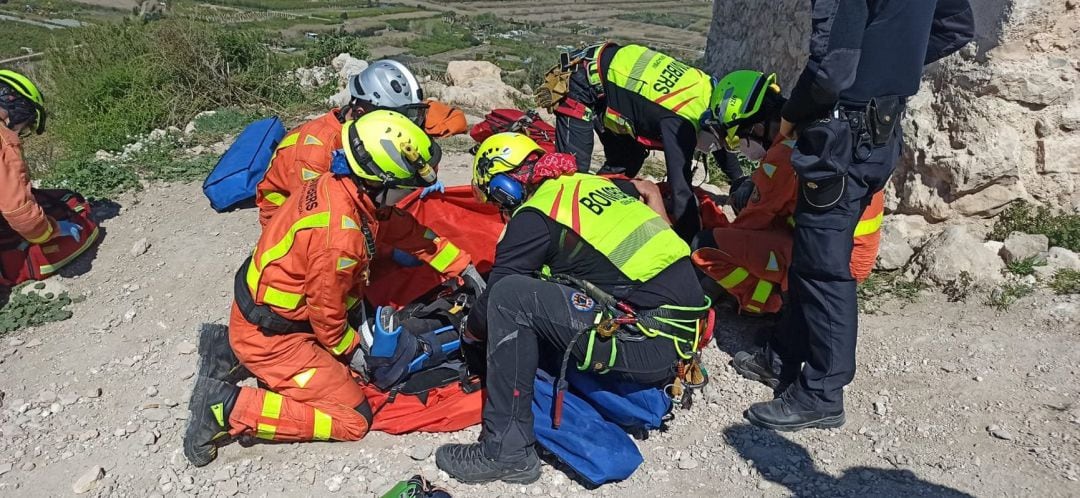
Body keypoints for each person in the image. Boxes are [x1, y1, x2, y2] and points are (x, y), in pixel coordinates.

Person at [730, 0, 975, 432]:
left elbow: (832, 71)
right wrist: (887, 72)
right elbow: (956, 28)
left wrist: (791, 115)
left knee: (823, 268)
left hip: (842, 138)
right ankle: (783, 356)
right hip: (879, 131)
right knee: (813, 256)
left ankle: (821, 393)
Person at [183, 110, 473, 467]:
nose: (407, 195)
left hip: (264, 315)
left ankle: (225, 349)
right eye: (405, 188)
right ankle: (227, 408)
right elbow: (326, 314)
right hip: (278, 338)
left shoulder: (339, 185)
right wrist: (355, 353)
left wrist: (461, 265)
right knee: (353, 420)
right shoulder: (341, 237)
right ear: (380, 182)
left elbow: (401, 228)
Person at [435, 133, 708, 484]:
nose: (502, 212)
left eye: (498, 202)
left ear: (505, 187)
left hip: (647, 341)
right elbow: (646, 189)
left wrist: (470, 334)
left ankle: (506, 452)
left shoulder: (534, 217)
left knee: (509, 296)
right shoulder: (586, 184)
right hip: (683, 336)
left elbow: (496, 297)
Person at [692, 70, 884, 315]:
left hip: (831, 261)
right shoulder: (808, 126)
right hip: (849, 253)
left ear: (758, 127)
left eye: (738, 139)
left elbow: (749, 226)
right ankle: (782, 290)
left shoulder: (781, 158)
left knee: (706, 245)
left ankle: (765, 304)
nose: (740, 147)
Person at [542, 42, 743, 241]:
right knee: (570, 175)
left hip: (609, 79)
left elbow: (719, 136)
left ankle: (598, 202)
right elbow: (681, 189)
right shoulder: (680, 123)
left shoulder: (708, 92)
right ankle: (552, 229)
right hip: (583, 82)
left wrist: (738, 179)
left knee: (630, 159)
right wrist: (690, 245)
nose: (715, 147)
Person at [255, 59, 466, 226]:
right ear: (360, 111)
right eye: (390, 117)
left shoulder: (368, 132)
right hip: (290, 220)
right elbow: (317, 212)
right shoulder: (316, 151)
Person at [0, 69, 81, 248]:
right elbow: (18, 211)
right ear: (17, 108)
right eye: (25, 127)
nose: (20, 134)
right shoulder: (4, 139)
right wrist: (51, 230)